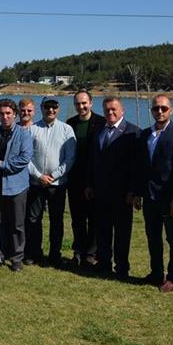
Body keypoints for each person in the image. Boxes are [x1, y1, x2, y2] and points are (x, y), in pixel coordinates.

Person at [132, 95, 173, 292]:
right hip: (149, 197)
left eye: (164, 108)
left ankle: (172, 277)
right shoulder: (144, 135)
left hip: (170, 198)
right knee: (153, 237)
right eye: (156, 108)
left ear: (171, 110)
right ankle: (156, 273)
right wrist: (138, 193)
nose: (159, 111)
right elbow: (142, 168)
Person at [85, 96, 140, 279]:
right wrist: (90, 184)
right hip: (100, 192)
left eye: (114, 109)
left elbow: (135, 166)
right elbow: (93, 161)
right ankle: (104, 263)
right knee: (102, 231)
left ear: (122, 110)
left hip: (122, 194)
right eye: (107, 109)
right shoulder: (99, 131)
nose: (110, 112)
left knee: (122, 233)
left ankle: (122, 268)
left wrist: (133, 191)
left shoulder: (133, 132)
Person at [25, 96, 76, 266]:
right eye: (47, 107)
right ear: (41, 108)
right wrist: (39, 176)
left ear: (58, 109)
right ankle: (34, 253)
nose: (51, 110)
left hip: (57, 184)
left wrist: (53, 176)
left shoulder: (67, 129)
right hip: (36, 183)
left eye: (54, 107)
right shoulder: (32, 129)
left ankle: (55, 254)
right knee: (33, 220)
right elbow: (26, 157)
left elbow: (70, 158)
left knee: (56, 221)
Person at [0, 99, 34, 271]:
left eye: (8, 113)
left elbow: (24, 159)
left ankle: (17, 258)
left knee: (17, 223)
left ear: (15, 114)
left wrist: (3, 164)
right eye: (1, 114)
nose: (5, 117)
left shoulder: (24, 134)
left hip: (16, 186)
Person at [65, 90, 106, 267]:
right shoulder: (70, 123)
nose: (81, 107)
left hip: (95, 178)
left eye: (84, 103)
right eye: (78, 104)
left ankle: (92, 253)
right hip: (75, 178)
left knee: (94, 218)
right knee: (77, 218)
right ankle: (79, 251)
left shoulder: (101, 123)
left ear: (91, 103)